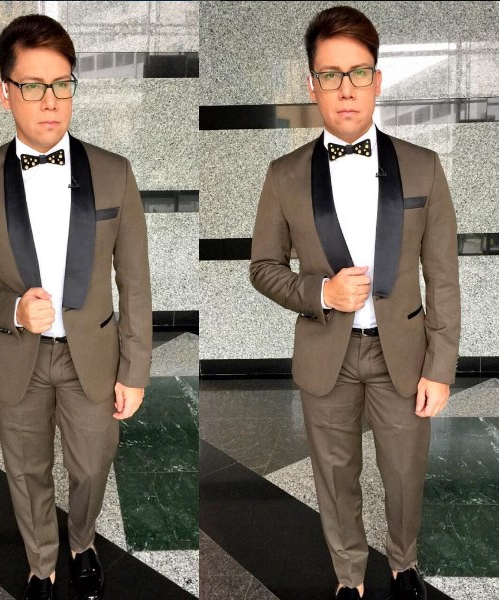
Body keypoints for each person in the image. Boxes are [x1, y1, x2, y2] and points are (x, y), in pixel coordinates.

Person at [250, 6, 460, 600]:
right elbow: (262, 268)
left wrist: (441, 367)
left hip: (404, 355)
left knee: (404, 473)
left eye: (358, 73)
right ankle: (349, 576)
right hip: (328, 354)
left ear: (377, 80)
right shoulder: (284, 174)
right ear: (312, 83)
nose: (346, 89)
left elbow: (443, 277)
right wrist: (321, 292)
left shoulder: (423, 167)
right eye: (331, 74)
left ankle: (403, 563)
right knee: (335, 475)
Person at [0, 14, 152, 600]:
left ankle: (82, 544)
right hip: (18, 357)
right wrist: (10, 308)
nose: (51, 100)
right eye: (32, 85)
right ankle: (41, 563)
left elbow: (135, 282)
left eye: (62, 84)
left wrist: (135, 370)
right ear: (5, 92)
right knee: (26, 470)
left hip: (94, 357)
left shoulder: (114, 173)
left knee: (91, 467)